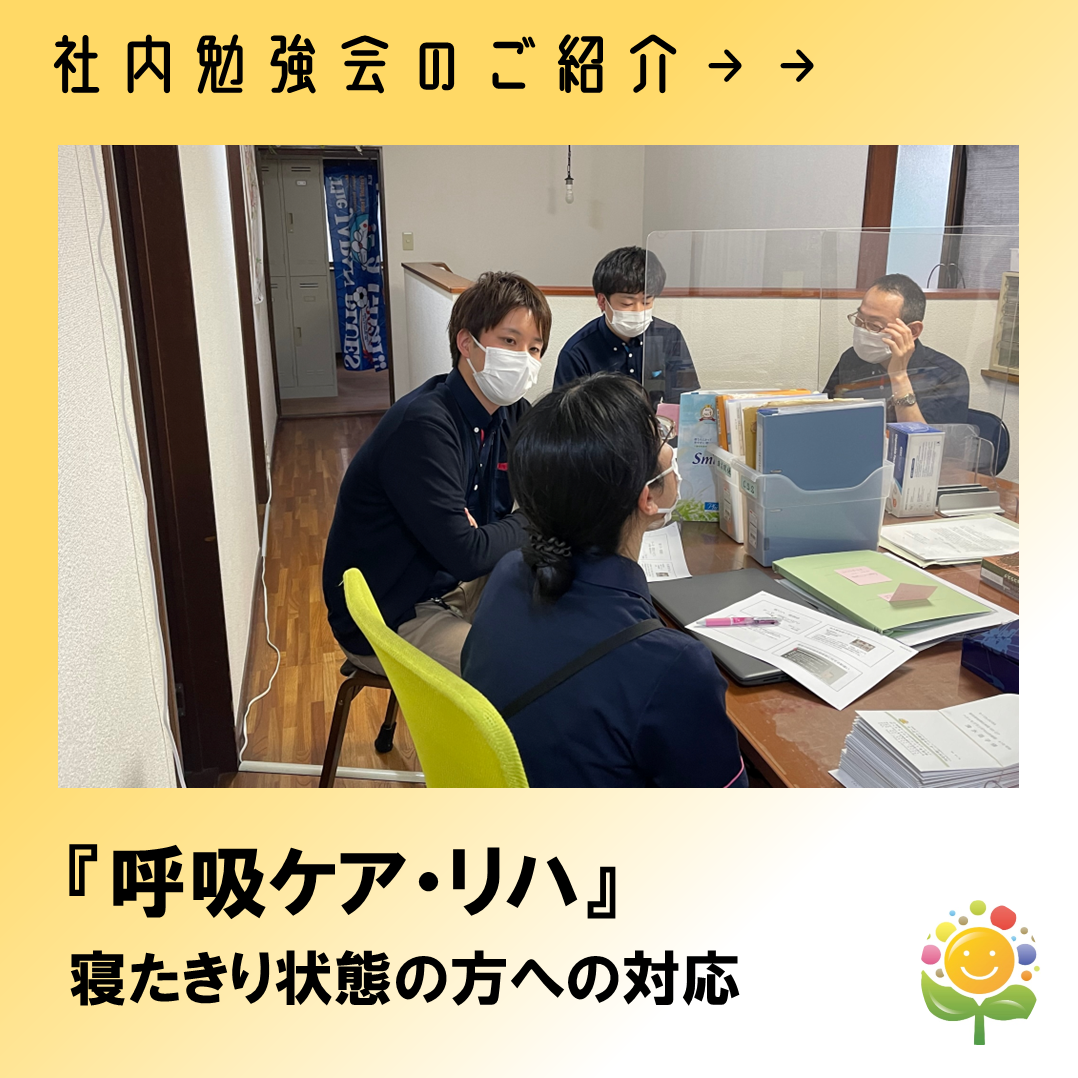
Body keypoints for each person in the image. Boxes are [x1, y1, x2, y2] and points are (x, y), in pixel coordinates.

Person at [462, 373, 747, 788]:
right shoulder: (673, 666)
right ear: (647, 497)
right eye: (659, 435)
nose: (670, 447)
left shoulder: (509, 573)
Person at [322, 271, 551, 677]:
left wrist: (492, 534)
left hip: (456, 585)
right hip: (395, 610)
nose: (524, 360)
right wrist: (529, 521)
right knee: (520, 674)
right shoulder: (424, 425)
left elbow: (551, 492)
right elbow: (468, 554)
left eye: (535, 349)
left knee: (570, 627)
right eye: (509, 341)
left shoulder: (512, 413)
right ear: (467, 343)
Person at [554, 246, 699, 405]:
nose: (638, 311)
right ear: (602, 301)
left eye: (646, 302)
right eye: (627, 303)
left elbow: (684, 402)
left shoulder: (669, 336)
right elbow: (566, 414)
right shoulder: (577, 352)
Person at [825, 273, 969, 426]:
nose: (863, 331)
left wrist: (899, 376)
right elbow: (825, 415)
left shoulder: (948, 375)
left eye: (874, 326)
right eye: (859, 320)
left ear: (912, 331)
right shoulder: (852, 358)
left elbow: (926, 439)